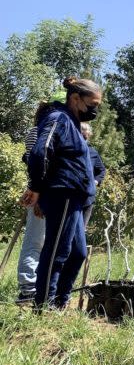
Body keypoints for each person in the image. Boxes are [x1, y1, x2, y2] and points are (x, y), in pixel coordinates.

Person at [20, 77, 102, 308]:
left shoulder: (73, 122)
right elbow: (40, 151)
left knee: (77, 252)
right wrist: (36, 187)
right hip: (62, 191)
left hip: (75, 196)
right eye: (92, 104)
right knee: (58, 250)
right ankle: (44, 305)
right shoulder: (59, 117)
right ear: (75, 98)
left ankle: (60, 301)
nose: (95, 110)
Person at [16, 99, 59, 302]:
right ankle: (27, 288)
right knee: (35, 241)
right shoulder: (37, 132)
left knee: (46, 243)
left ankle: (41, 285)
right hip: (41, 193)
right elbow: (37, 163)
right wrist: (39, 194)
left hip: (54, 193)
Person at [80, 122, 106, 229]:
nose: (84, 137)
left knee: (81, 230)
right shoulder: (69, 149)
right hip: (70, 197)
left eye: (86, 135)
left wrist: (96, 181)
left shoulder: (93, 152)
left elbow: (102, 170)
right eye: (81, 134)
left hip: (87, 198)